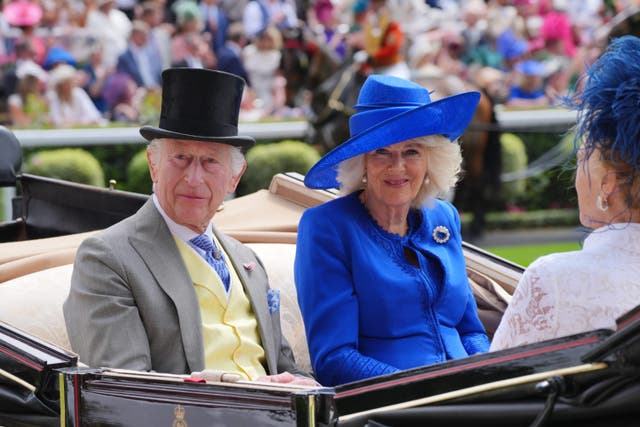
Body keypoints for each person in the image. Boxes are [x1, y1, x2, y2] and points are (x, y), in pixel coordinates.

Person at [63, 68, 315, 386]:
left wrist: (310, 389)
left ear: (234, 177)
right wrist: (240, 389)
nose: (194, 178)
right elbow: (125, 389)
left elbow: (285, 368)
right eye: (180, 157)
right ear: (154, 164)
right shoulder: (107, 258)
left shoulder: (246, 259)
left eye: (211, 162)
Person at [294, 74, 490, 386]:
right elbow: (334, 359)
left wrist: (488, 372)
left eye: (412, 151)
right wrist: (421, 389)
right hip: (388, 404)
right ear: (362, 163)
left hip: (466, 395)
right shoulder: (328, 227)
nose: (397, 166)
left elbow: (470, 329)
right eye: (381, 151)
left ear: (431, 160)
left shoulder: (444, 218)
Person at [490, 35, 640, 352]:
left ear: (608, 185)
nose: (576, 174)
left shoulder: (553, 279)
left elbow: (490, 388)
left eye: (582, 156)